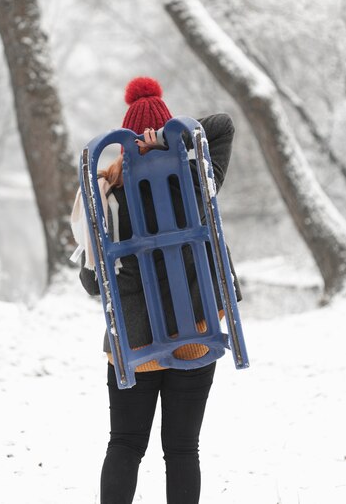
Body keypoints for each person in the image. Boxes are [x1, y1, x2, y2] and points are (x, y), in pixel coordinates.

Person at [71, 76, 242, 504]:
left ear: (125, 140)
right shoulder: (197, 179)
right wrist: (169, 138)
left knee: (125, 444)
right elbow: (220, 124)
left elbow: (94, 284)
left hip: (135, 345)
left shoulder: (105, 197)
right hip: (196, 336)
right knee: (183, 449)